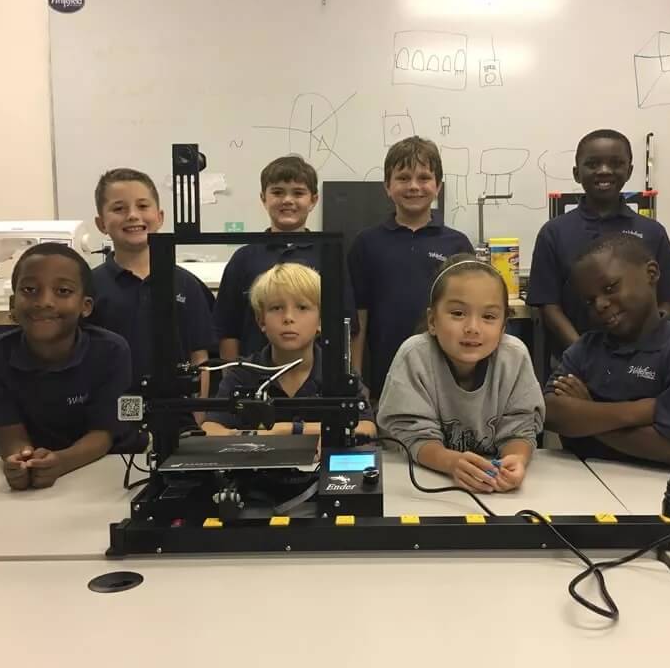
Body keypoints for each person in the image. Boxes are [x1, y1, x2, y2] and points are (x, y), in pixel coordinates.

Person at [377, 254, 544, 493]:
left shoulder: (514, 357)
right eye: (457, 313)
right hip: (423, 482)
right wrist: (450, 463)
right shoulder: (414, 356)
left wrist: (516, 459)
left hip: (493, 488)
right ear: (432, 320)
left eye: (489, 317)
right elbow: (412, 435)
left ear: (503, 327)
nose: (472, 328)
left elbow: (521, 428)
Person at [0, 243, 133, 490]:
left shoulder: (111, 351)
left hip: (99, 471)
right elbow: (10, 434)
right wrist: (22, 461)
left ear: (86, 306)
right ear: (13, 302)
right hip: (38, 478)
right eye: (29, 290)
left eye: (63, 291)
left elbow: (103, 434)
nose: (44, 302)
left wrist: (61, 462)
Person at [543, 234, 670, 465]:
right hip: (584, 477)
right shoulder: (585, 348)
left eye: (610, 288)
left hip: (656, 481)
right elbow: (552, 413)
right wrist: (639, 412)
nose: (600, 304)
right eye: (589, 301)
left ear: (651, 273)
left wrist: (588, 414)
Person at [527, 129, 670, 357]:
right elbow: (548, 306)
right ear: (576, 173)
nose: (604, 171)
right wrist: (582, 355)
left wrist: (643, 352)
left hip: (641, 360)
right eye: (592, 164)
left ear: (629, 171)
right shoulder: (553, 233)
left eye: (616, 163)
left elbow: (667, 301)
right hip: (576, 359)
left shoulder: (652, 232)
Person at [348, 136, 474, 398]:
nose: (414, 186)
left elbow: (467, 311)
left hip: (446, 375)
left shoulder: (458, 243)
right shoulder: (366, 244)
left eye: (424, 178)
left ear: (438, 186)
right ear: (387, 186)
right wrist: (355, 377)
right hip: (384, 375)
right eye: (403, 178)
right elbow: (359, 316)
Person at [88, 167, 212, 428]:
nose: (133, 215)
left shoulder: (187, 285)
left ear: (160, 216)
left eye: (143, 206)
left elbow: (200, 358)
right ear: (101, 223)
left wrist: (198, 417)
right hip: (110, 424)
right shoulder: (89, 287)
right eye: (119, 208)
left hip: (179, 421)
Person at [204, 263, 375, 437]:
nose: (288, 318)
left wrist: (290, 430)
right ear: (261, 320)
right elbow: (210, 429)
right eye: (276, 308)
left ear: (321, 321)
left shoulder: (339, 374)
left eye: (302, 307)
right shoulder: (242, 374)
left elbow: (367, 428)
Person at [214, 155, 357, 360]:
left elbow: (346, 323)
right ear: (263, 198)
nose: (288, 200)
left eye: (298, 193)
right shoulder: (243, 259)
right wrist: (233, 373)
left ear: (313, 200)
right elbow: (227, 329)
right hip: (254, 374)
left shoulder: (330, 256)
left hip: (318, 374)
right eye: (278, 192)